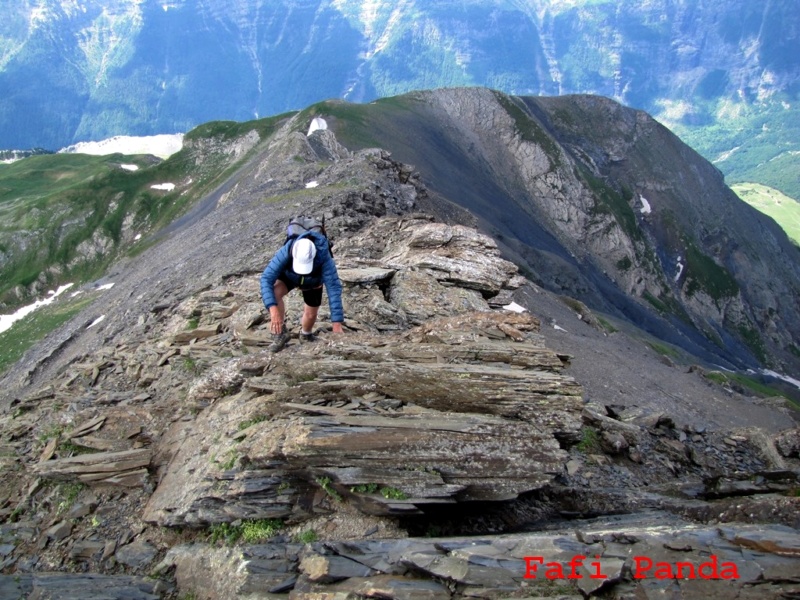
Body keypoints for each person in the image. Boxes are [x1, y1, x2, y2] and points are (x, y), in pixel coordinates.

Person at [260, 229, 344, 352]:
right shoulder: (287, 250)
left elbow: (333, 288)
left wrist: (337, 323)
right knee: (274, 293)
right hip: (289, 276)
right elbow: (266, 279)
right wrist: (273, 311)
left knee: (311, 314)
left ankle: (306, 335)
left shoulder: (323, 256)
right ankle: (280, 334)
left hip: (312, 281)